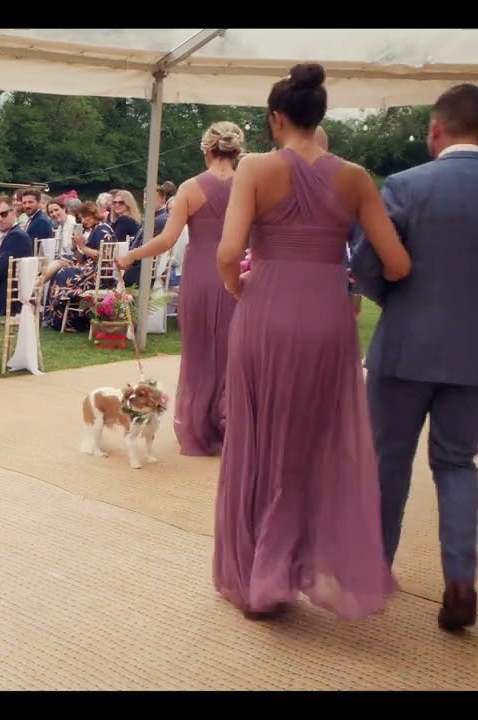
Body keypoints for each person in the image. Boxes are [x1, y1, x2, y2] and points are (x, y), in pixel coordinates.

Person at [212, 62, 412, 622]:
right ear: (320, 116)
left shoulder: (253, 168)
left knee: (259, 438)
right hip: (327, 317)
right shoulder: (354, 176)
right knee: (309, 442)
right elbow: (395, 263)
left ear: (277, 119)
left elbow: (228, 255)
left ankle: (262, 573)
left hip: (266, 311)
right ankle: (290, 565)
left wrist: (242, 288)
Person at [351, 82, 478, 632]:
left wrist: (393, 304)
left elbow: (367, 262)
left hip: (403, 347)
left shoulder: (404, 185)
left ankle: (376, 570)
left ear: (435, 130)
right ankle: (460, 577)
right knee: (455, 464)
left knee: (387, 462)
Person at [117, 121, 244, 456]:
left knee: (200, 354)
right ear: (237, 151)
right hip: (238, 275)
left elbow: (167, 239)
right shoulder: (249, 185)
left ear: (206, 150)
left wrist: (131, 254)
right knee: (236, 353)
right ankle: (233, 425)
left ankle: (200, 429)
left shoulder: (189, 188)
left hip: (201, 275)